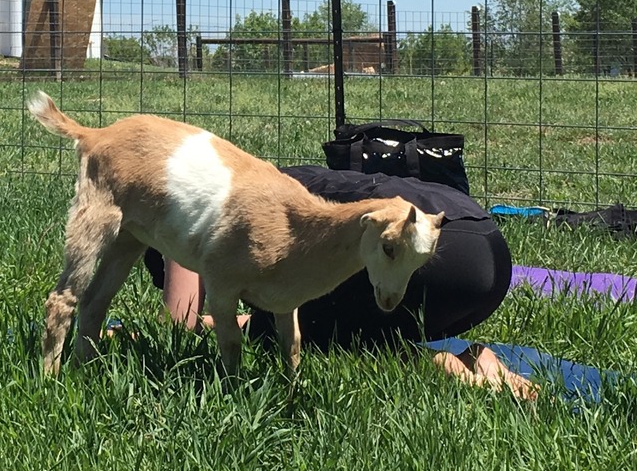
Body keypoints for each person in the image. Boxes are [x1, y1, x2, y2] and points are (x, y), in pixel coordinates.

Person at [142, 166, 537, 400]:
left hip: (413, 249)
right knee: (294, 321)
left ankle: (457, 365)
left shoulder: (195, 223)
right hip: (478, 238)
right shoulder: (262, 182)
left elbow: (182, 322)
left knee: (310, 334)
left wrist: (136, 333)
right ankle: (473, 355)